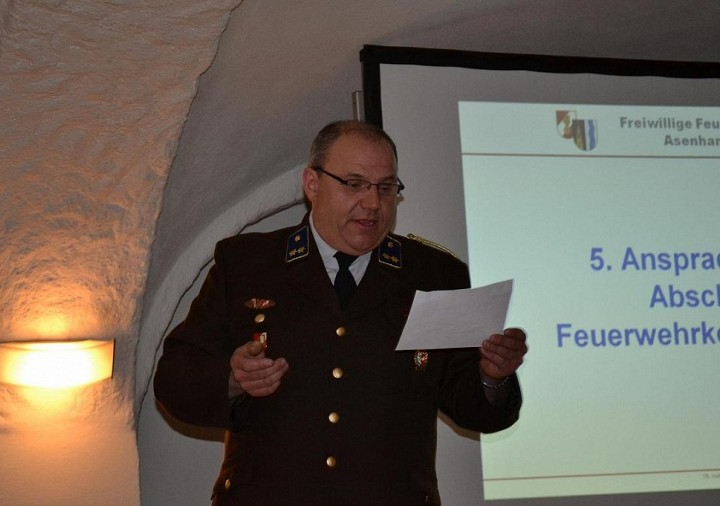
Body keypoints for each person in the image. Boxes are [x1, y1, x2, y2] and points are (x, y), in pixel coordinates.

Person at [153, 120, 528, 505]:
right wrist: (232, 379)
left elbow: (476, 409)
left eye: (386, 187)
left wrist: (492, 376)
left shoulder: (434, 274)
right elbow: (174, 380)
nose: (373, 203)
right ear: (312, 184)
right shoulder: (248, 264)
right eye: (354, 184)